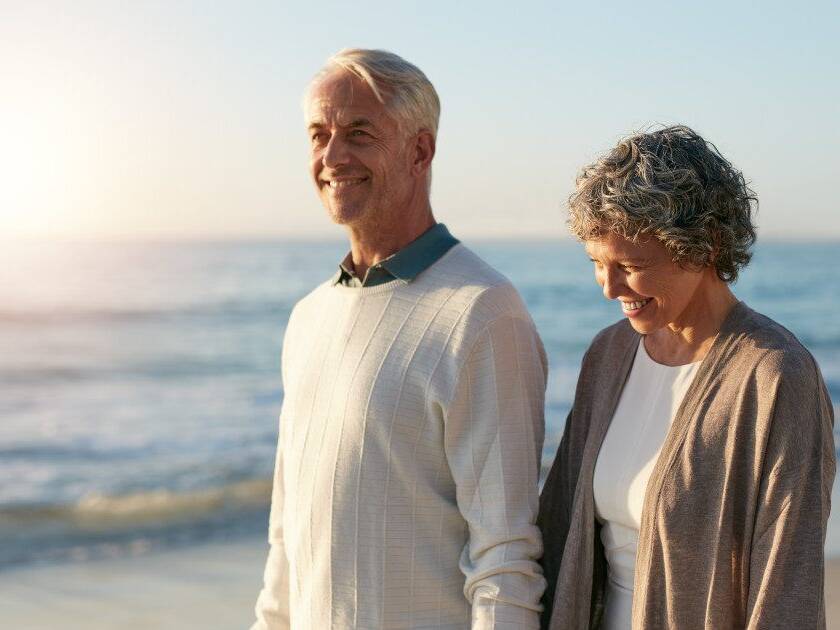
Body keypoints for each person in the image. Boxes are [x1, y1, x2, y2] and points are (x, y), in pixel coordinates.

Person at [251, 48, 547, 629]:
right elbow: (288, 542)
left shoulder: (484, 313)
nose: (332, 156)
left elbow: (506, 559)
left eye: (359, 133)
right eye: (318, 135)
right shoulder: (308, 317)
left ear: (420, 151)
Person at [537, 125, 835, 629]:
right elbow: (559, 524)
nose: (609, 288)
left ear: (706, 246)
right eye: (596, 263)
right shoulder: (608, 355)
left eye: (630, 265)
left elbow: (788, 581)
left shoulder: (773, 376)